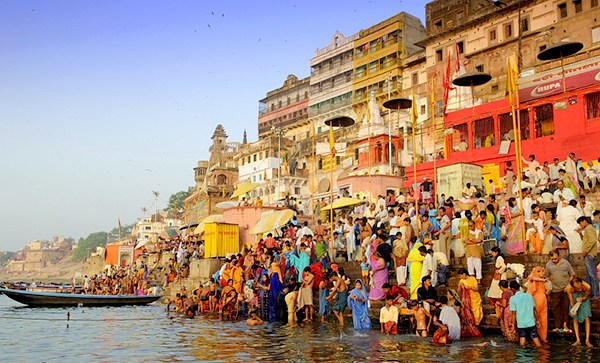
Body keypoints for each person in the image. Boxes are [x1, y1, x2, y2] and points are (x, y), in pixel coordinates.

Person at [545, 250, 575, 333]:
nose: (554, 260)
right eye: (552, 259)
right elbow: (547, 277)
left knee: (565, 307)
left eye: (555, 258)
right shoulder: (548, 265)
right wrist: (548, 287)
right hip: (555, 290)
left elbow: (572, 275)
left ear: (559, 256)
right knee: (556, 308)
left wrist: (569, 285)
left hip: (565, 289)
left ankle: (566, 325)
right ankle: (557, 326)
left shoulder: (566, 263)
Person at [509, 280, 542, 348]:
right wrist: (537, 320)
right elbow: (534, 309)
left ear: (512, 289)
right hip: (531, 321)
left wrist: (513, 325)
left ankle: (522, 355)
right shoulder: (528, 296)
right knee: (535, 338)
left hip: (521, 323)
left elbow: (513, 313)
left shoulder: (513, 299)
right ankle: (541, 354)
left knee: (522, 338)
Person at [566, 278, 593, 347]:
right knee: (575, 319)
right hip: (574, 299)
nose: (580, 290)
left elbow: (587, 295)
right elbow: (571, 299)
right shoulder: (569, 289)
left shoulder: (587, 287)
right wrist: (574, 309)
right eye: (578, 289)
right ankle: (578, 339)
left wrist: (582, 298)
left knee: (587, 317)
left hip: (584, 300)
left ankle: (587, 340)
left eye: (581, 288)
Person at [577, 216, 599, 298]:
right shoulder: (587, 229)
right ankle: (591, 293)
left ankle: (595, 294)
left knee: (592, 276)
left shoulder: (589, 228)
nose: (580, 225)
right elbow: (586, 241)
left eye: (580, 223)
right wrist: (580, 234)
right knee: (588, 276)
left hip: (589, 255)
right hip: (588, 255)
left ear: (584, 221)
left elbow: (592, 240)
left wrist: (586, 251)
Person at [457, 268, 482, 337]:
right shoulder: (461, 281)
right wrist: (460, 286)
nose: (460, 277)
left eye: (460, 275)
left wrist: (469, 287)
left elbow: (476, 288)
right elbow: (459, 291)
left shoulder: (472, 279)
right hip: (467, 300)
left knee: (476, 314)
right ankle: (471, 329)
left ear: (464, 274)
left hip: (475, 299)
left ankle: (476, 327)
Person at [527, 266, 549, 342]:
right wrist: (543, 280)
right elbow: (532, 277)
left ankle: (543, 337)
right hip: (535, 301)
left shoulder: (542, 281)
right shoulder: (532, 278)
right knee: (536, 318)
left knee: (543, 319)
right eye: (542, 272)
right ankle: (535, 337)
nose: (543, 273)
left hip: (543, 301)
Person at [487, 247, 507, 317]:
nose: (492, 254)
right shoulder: (499, 258)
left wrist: (498, 271)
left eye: (493, 252)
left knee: (497, 291)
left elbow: (504, 266)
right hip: (499, 276)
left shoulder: (499, 258)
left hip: (500, 276)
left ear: (496, 252)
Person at [464, 220, 483, 284]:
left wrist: (471, 240)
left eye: (471, 226)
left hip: (477, 252)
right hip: (469, 253)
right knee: (470, 266)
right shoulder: (467, 233)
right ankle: (472, 280)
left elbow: (479, 240)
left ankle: (479, 280)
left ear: (474, 225)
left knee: (478, 266)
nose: (470, 227)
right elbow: (466, 241)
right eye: (469, 226)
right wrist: (474, 241)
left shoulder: (479, 232)